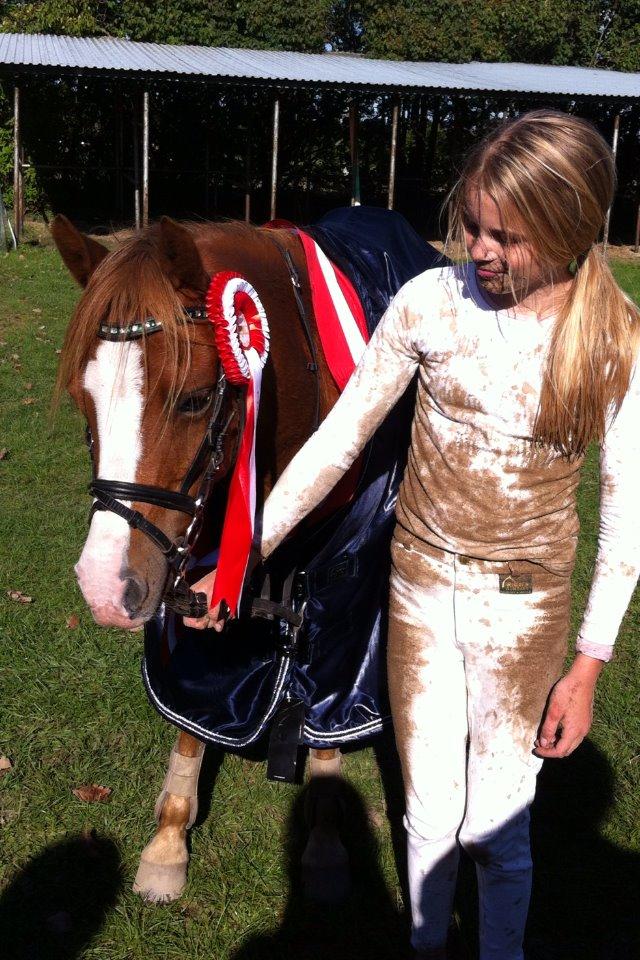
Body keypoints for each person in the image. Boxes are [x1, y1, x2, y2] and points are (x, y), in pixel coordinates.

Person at [185, 110, 640, 959]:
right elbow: (340, 439)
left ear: (570, 228)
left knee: (497, 835)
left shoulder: (615, 342)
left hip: (524, 618)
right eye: (472, 223)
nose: (479, 249)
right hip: (421, 597)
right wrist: (245, 557)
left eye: (506, 235)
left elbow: (625, 525)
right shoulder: (429, 301)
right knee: (429, 816)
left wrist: (585, 667)